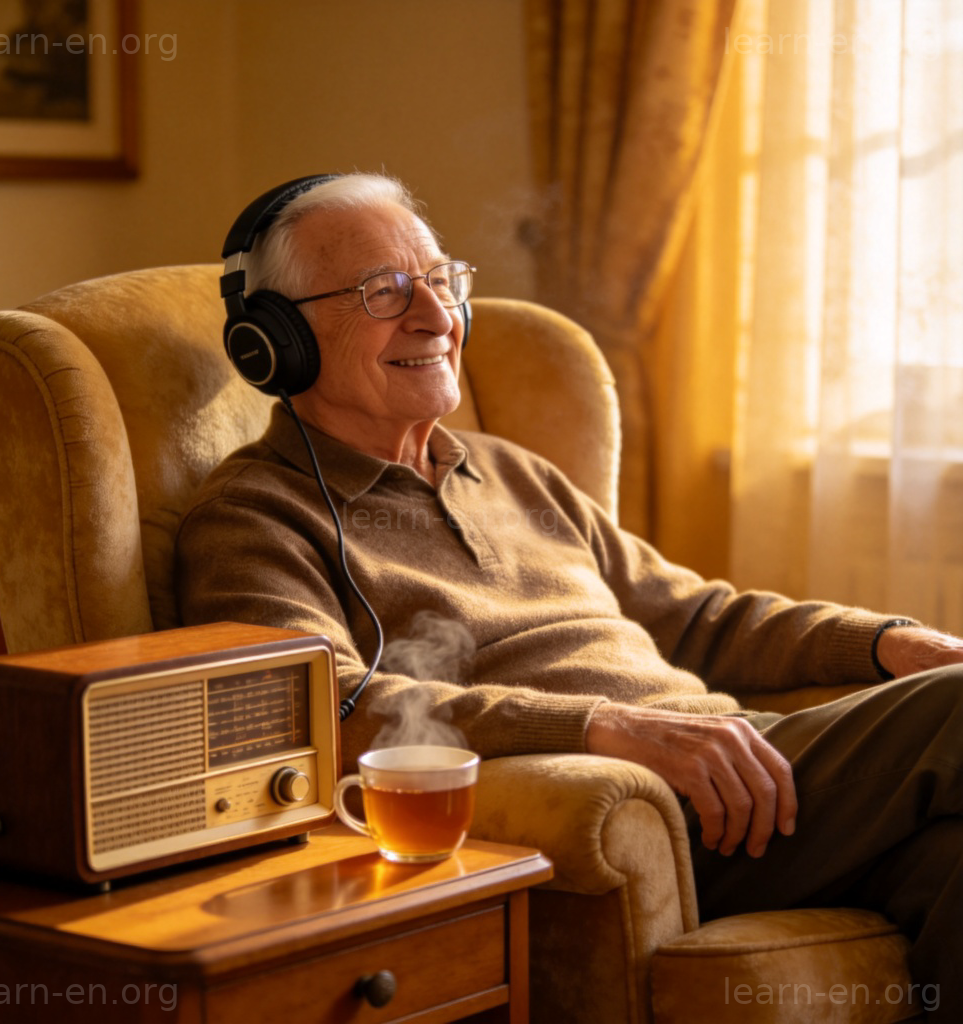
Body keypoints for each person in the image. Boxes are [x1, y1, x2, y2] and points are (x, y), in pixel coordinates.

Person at [176, 172, 962, 1019]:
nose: (438, 319)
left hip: (753, 774)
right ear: (278, 340)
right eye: (384, 292)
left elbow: (697, 614)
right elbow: (314, 703)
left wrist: (886, 641)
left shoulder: (512, 471)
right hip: (631, 806)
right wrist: (605, 729)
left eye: (441, 281)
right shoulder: (253, 516)